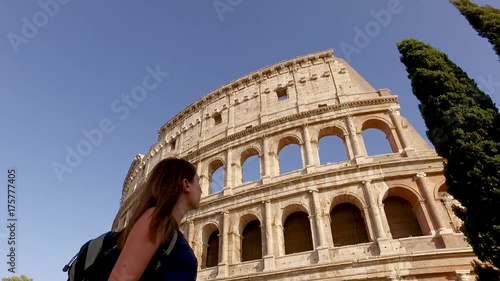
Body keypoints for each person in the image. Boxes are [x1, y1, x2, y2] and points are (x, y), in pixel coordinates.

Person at [108, 157, 202, 281]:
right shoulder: (155, 220)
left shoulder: (169, 229)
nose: (201, 189)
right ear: (186, 185)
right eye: (198, 182)